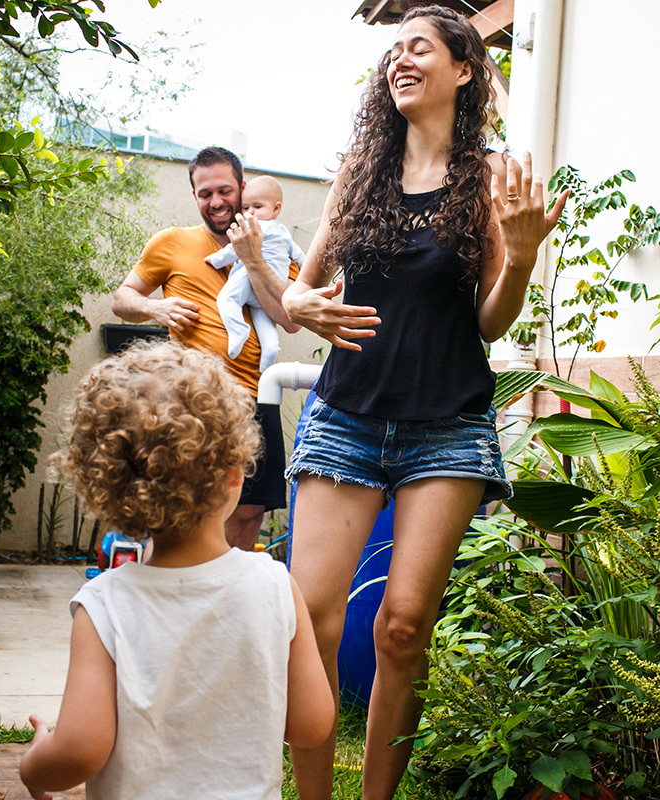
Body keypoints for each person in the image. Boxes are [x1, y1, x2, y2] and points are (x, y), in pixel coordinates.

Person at [279, 7, 569, 800]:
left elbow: (490, 320)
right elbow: (298, 293)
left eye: (419, 47)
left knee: (404, 628)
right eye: (393, 50)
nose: (400, 59)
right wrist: (301, 308)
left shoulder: (488, 179)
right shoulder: (359, 173)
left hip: (446, 427)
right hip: (347, 417)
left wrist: (523, 254)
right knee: (310, 615)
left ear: (464, 70)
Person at [19, 341, 335, 800]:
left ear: (107, 486)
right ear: (234, 471)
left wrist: (34, 763)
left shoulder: (104, 606)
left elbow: (79, 751)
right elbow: (311, 726)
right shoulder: (274, 586)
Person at [111, 147, 301, 551]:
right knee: (179, 508)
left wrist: (252, 260)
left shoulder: (276, 246)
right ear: (195, 195)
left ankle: (224, 602)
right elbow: (122, 299)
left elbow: (290, 319)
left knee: (247, 511)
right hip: (189, 400)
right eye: (204, 193)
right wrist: (153, 306)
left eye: (224, 191)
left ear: (242, 189)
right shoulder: (172, 243)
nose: (215, 202)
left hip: (255, 398)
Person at [206, 175, 306, 373]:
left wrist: (216, 260)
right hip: (271, 288)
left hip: (251, 277)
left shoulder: (253, 227)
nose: (250, 212)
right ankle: (268, 362)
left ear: (276, 208)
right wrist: (306, 277)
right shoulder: (284, 233)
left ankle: (238, 330)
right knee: (267, 334)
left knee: (227, 299)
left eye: (257, 207)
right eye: (245, 208)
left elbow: (235, 250)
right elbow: (300, 256)